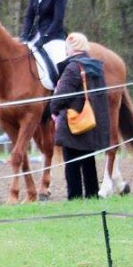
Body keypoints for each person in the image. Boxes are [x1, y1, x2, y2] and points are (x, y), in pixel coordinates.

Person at [49, 33, 110, 200]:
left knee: (72, 164)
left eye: (67, 47)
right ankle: (92, 196)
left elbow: (62, 96)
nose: (66, 50)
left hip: (74, 122)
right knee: (89, 162)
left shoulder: (73, 67)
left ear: (72, 47)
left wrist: (52, 109)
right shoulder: (96, 67)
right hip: (91, 121)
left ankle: (75, 198)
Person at [20, 0, 67, 79]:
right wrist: (24, 37)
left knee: (60, 63)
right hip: (37, 36)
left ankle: (63, 92)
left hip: (54, 37)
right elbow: (29, 16)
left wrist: (45, 38)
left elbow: (57, 21)